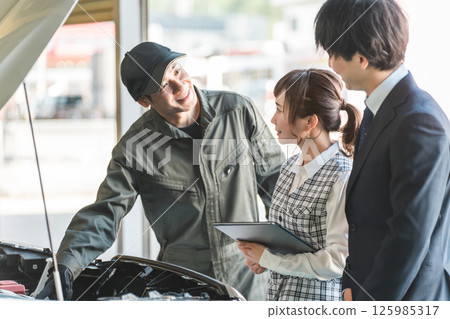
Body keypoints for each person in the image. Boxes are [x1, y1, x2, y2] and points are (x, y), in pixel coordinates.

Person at [37, 42, 284, 300]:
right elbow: (105, 212)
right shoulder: (136, 147)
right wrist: (66, 264)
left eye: (176, 70)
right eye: (164, 85)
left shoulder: (238, 112)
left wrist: (284, 249)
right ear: (145, 100)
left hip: (248, 276)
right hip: (183, 287)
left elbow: (276, 182)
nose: (180, 85)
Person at [315, 0, 450, 301]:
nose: (330, 64)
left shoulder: (418, 121)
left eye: (333, 54)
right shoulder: (382, 110)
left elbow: (409, 236)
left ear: (361, 58)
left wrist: (367, 302)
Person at [237, 69, 361, 300]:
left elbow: (337, 260)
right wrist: (264, 258)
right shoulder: (289, 166)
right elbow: (287, 238)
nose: (273, 119)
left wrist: (270, 259)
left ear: (309, 122)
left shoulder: (342, 175)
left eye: (280, 110)